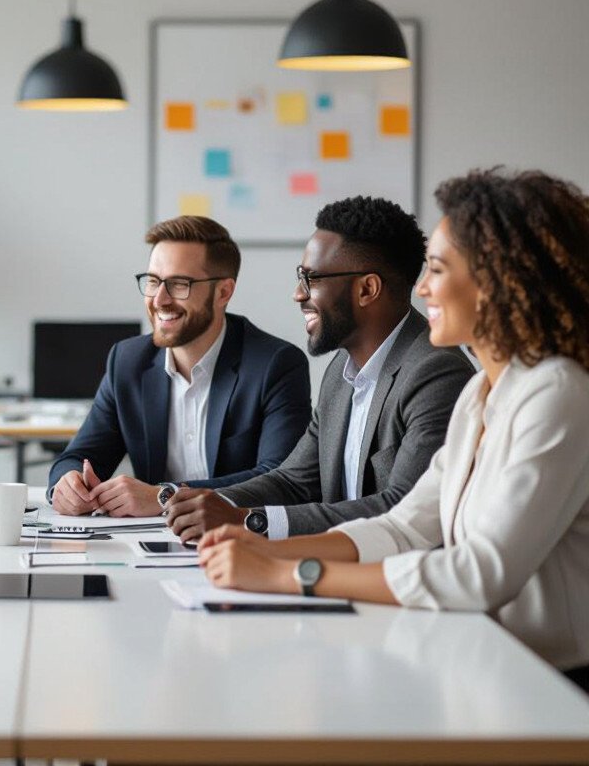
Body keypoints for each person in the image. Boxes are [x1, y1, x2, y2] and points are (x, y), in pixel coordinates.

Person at [196, 169, 589, 688]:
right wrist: (264, 547)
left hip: (552, 683)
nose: (421, 286)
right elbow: (405, 526)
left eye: (438, 270)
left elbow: (479, 574)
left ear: (499, 283)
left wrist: (287, 575)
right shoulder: (482, 394)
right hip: (482, 662)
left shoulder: (558, 392)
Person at [168, 196, 474, 542]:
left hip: (393, 583)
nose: (298, 294)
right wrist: (202, 503)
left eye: (310, 278)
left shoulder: (436, 373)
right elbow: (293, 481)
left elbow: (402, 509)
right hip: (337, 570)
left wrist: (249, 521)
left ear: (367, 289)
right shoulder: (341, 370)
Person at [48, 216, 311, 517]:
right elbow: (79, 457)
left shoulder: (274, 364)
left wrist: (165, 496)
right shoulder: (128, 361)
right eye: (153, 281)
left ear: (223, 292)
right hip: (147, 547)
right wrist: (67, 485)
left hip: (239, 541)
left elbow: (280, 480)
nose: (159, 299)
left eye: (179, 284)